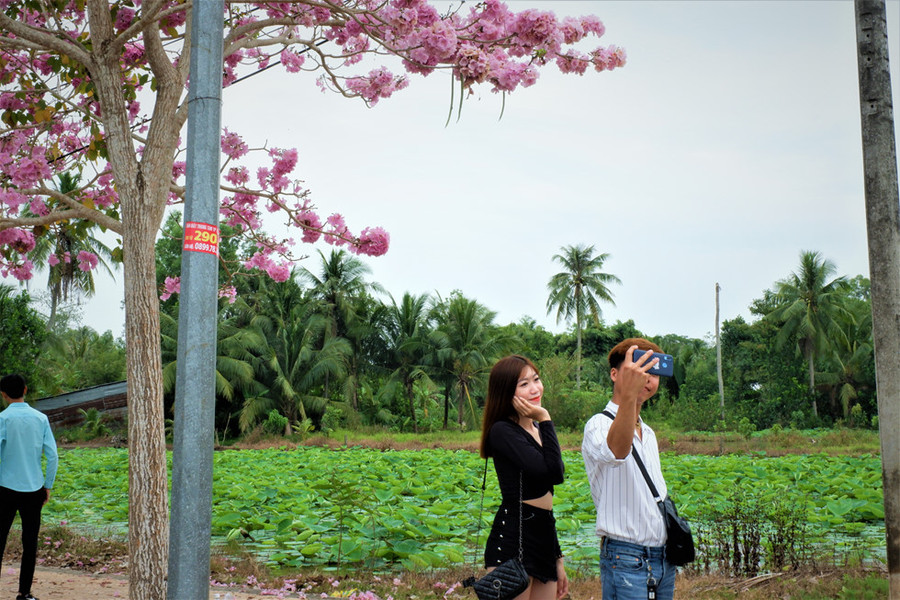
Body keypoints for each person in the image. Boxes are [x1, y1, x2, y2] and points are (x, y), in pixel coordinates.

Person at [581, 338, 676, 600]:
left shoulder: (648, 432)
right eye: (638, 368)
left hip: (663, 556)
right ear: (614, 374)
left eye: (653, 371)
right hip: (626, 558)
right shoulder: (598, 425)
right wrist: (630, 397)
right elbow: (617, 451)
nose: (646, 377)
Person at [479, 355, 569, 600]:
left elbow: (554, 474)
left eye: (536, 380)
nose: (535, 388)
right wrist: (545, 417)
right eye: (524, 384)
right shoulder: (502, 431)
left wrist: (558, 558)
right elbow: (551, 473)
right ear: (507, 392)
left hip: (543, 539)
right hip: (512, 539)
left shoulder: (538, 429)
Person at [0, 374, 59, 600]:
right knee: (30, 542)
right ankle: (24, 593)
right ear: (25, 389)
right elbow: (52, 456)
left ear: (3, 394)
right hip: (34, 488)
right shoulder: (41, 419)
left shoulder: (3, 419)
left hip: (5, 488)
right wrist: (48, 485)